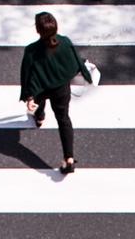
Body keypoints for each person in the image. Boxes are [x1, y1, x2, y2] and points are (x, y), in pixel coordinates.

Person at [20, 11, 92, 175]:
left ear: (38, 30)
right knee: (63, 119)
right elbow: (75, 62)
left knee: (40, 103)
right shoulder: (65, 42)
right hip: (61, 88)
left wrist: (29, 96)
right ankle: (69, 158)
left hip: (41, 88)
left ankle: (39, 116)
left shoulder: (31, 50)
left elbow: (27, 76)